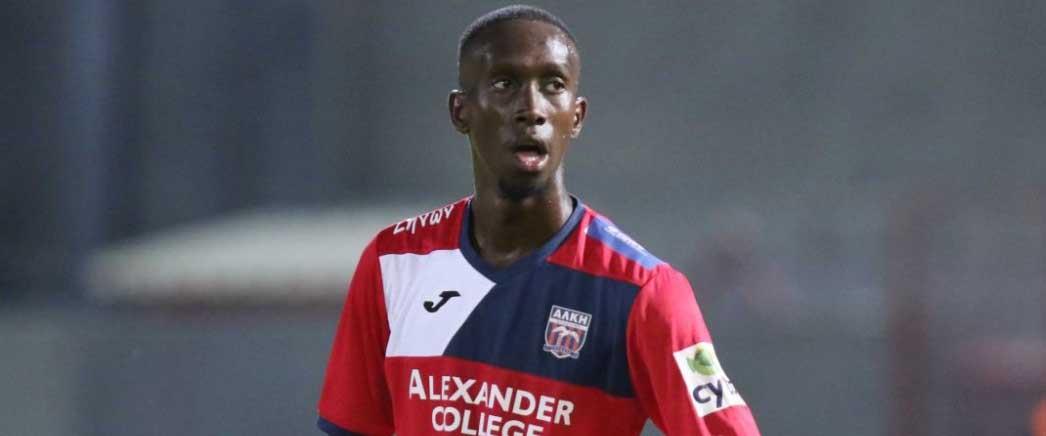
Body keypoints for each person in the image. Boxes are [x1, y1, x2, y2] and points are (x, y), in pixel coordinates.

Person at [317, 5, 761, 435]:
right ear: (460, 111)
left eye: (553, 85)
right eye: (505, 83)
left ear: (576, 116)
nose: (531, 108)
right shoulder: (394, 262)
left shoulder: (645, 292)